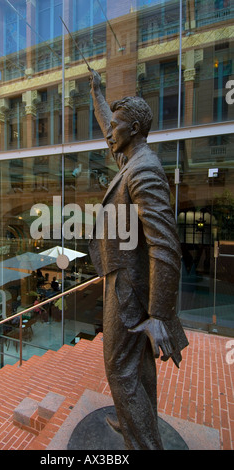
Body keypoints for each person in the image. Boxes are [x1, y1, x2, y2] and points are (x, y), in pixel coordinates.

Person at [88, 70, 189, 450]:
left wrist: (159, 315)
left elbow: (166, 245)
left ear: (133, 129)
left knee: (119, 370)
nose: (110, 133)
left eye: (116, 127)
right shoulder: (131, 159)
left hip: (130, 290)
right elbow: (106, 126)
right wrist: (98, 92)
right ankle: (133, 425)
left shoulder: (144, 168)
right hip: (124, 281)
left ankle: (145, 443)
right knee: (138, 367)